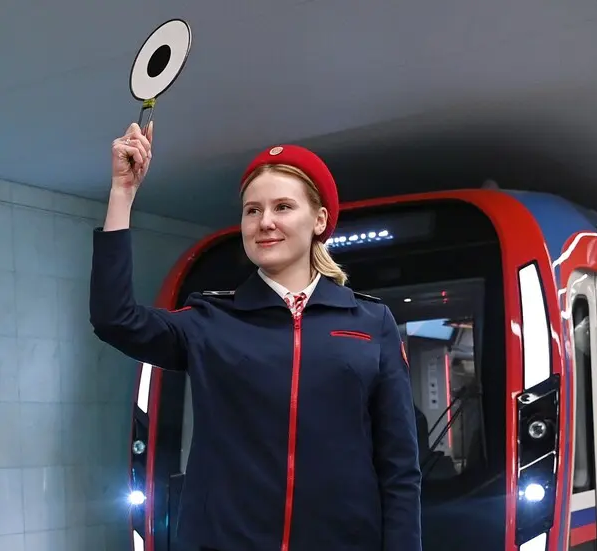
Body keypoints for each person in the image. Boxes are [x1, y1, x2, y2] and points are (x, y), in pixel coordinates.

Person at [89, 122, 422, 551]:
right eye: (252, 210)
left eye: (283, 207)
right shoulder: (211, 320)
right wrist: (122, 193)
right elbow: (115, 319)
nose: (265, 222)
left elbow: (400, 467)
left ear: (319, 220)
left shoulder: (371, 322)